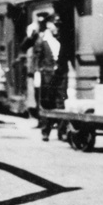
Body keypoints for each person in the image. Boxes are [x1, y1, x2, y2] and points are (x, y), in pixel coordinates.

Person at [20, 12, 62, 141]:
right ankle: (45, 131)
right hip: (45, 74)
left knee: (60, 102)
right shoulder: (40, 38)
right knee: (46, 102)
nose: (56, 27)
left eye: (58, 25)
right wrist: (37, 73)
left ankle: (62, 132)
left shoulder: (61, 38)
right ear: (49, 25)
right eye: (54, 24)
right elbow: (25, 48)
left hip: (59, 74)